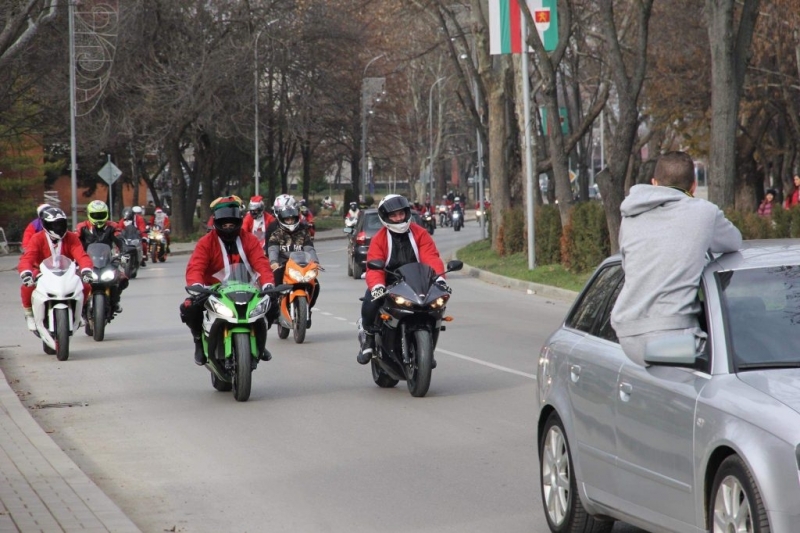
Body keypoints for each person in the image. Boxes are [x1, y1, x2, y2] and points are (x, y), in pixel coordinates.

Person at [610, 151, 742, 366]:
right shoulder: (704, 212)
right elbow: (733, 243)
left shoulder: (630, 216)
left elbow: (629, 266)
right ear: (693, 185)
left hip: (628, 336)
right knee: (736, 364)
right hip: (670, 340)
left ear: (654, 183)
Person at [356, 194, 449, 365]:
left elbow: (431, 257)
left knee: (435, 307)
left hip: (416, 282)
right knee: (370, 300)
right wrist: (377, 285)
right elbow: (373, 266)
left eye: (401, 214)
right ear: (385, 217)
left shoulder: (420, 233)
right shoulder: (379, 239)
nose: (399, 218)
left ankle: (427, 350)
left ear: (407, 213)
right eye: (394, 215)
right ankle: (368, 337)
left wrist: (440, 280)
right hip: (389, 283)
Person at [182, 196, 276, 365]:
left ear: (238, 221)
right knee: (189, 307)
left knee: (273, 302)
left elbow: (261, 264)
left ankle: (259, 340)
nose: (228, 227)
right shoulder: (206, 242)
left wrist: (268, 283)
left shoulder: (250, 240)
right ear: (216, 222)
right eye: (224, 223)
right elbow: (196, 267)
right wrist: (196, 285)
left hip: (247, 289)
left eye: (232, 223)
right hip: (213, 291)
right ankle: (198, 340)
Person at [18, 206, 93, 331]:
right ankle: (29, 313)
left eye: (61, 224)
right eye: (54, 225)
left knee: (85, 286)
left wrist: (86, 270)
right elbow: (28, 257)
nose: (58, 228)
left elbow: (81, 255)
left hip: (67, 271)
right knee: (27, 287)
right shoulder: (37, 238)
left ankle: (79, 313)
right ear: (46, 225)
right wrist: (26, 273)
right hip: (42, 271)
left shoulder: (71, 237)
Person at [266, 204, 321, 326]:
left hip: (300, 265)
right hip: (282, 265)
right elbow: (272, 250)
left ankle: (308, 308)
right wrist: (273, 263)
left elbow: (310, 249)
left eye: (292, 219)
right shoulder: (276, 234)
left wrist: (315, 262)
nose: (290, 221)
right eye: (287, 219)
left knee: (315, 285)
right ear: (282, 219)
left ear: (297, 219)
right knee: (274, 287)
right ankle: (275, 310)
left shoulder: (303, 233)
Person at [75, 200, 128, 314]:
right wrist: (73, 257)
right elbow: (74, 243)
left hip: (107, 260)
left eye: (101, 214)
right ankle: (77, 304)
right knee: (75, 280)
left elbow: (120, 240)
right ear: (89, 214)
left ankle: (115, 301)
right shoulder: (81, 227)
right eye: (95, 215)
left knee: (122, 278)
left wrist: (124, 253)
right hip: (86, 261)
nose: (98, 217)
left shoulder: (113, 226)